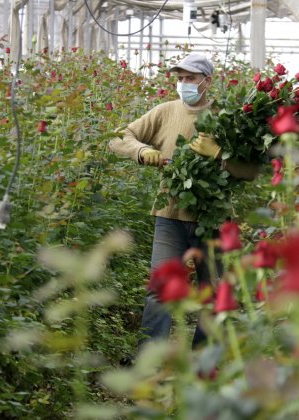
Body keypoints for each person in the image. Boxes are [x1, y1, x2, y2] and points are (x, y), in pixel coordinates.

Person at [108, 53, 259, 352]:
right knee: (161, 289)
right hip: (170, 215)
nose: (183, 84)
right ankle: (147, 361)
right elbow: (118, 137)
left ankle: (206, 360)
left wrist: (219, 154)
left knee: (214, 292)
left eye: (190, 78)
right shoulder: (164, 112)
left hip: (213, 218)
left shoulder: (225, 117)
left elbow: (251, 171)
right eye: (180, 79)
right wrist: (141, 151)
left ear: (207, 81)